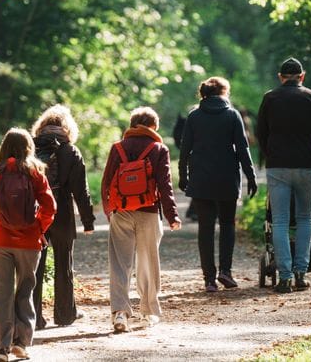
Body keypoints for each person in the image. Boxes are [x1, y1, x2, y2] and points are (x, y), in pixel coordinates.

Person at [0, 128, 57, 362]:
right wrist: (39, 229)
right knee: (25, 290)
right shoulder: (35, 172)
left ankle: (0, 349)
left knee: (0, 294)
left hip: (0, 241)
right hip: (29, 242)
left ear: (3, 147)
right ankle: (21, 344)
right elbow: (49, 207)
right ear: (28, 147)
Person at [101, 106, 181, 333]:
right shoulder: (158, 149)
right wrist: (172, 215)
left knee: (119, 264)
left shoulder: (118, 148)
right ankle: (148, 312)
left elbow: (106, 182)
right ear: (153, 126)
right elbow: (165, 186)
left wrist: (110, 211)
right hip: (148, 213)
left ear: (132, 125)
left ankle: (119, 313)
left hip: (122, 213)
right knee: (147, 262)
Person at [256, 57, 311, 293]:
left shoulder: (270, 98)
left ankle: (285, 277)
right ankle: (301, 274)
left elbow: (261, 133)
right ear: (302, 76)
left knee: (278, 221)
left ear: (281, 77)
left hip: (278, 166)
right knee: (304, 219)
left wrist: (271, 155)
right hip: (306, 167)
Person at [178, 77, 257, 292]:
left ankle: (209, 279)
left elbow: (185, 148)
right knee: (227, 224)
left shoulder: (194, 116)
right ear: (224, 92)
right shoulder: (232, 115)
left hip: (201, 178)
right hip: (227, 178)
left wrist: (182, 175)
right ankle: (226, 271)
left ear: (203, 94)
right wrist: (250, 176)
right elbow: (242, 148)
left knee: (205, 228)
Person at [31, 105, 96, 329]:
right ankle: (65, 314)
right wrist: (88, 221)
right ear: (67, 127)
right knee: (64, 264)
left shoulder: (29, 148)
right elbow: (81, 191)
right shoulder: (71, 151)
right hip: (62, 214)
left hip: (35, 214)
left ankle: (34, 317)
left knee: (34, 266)